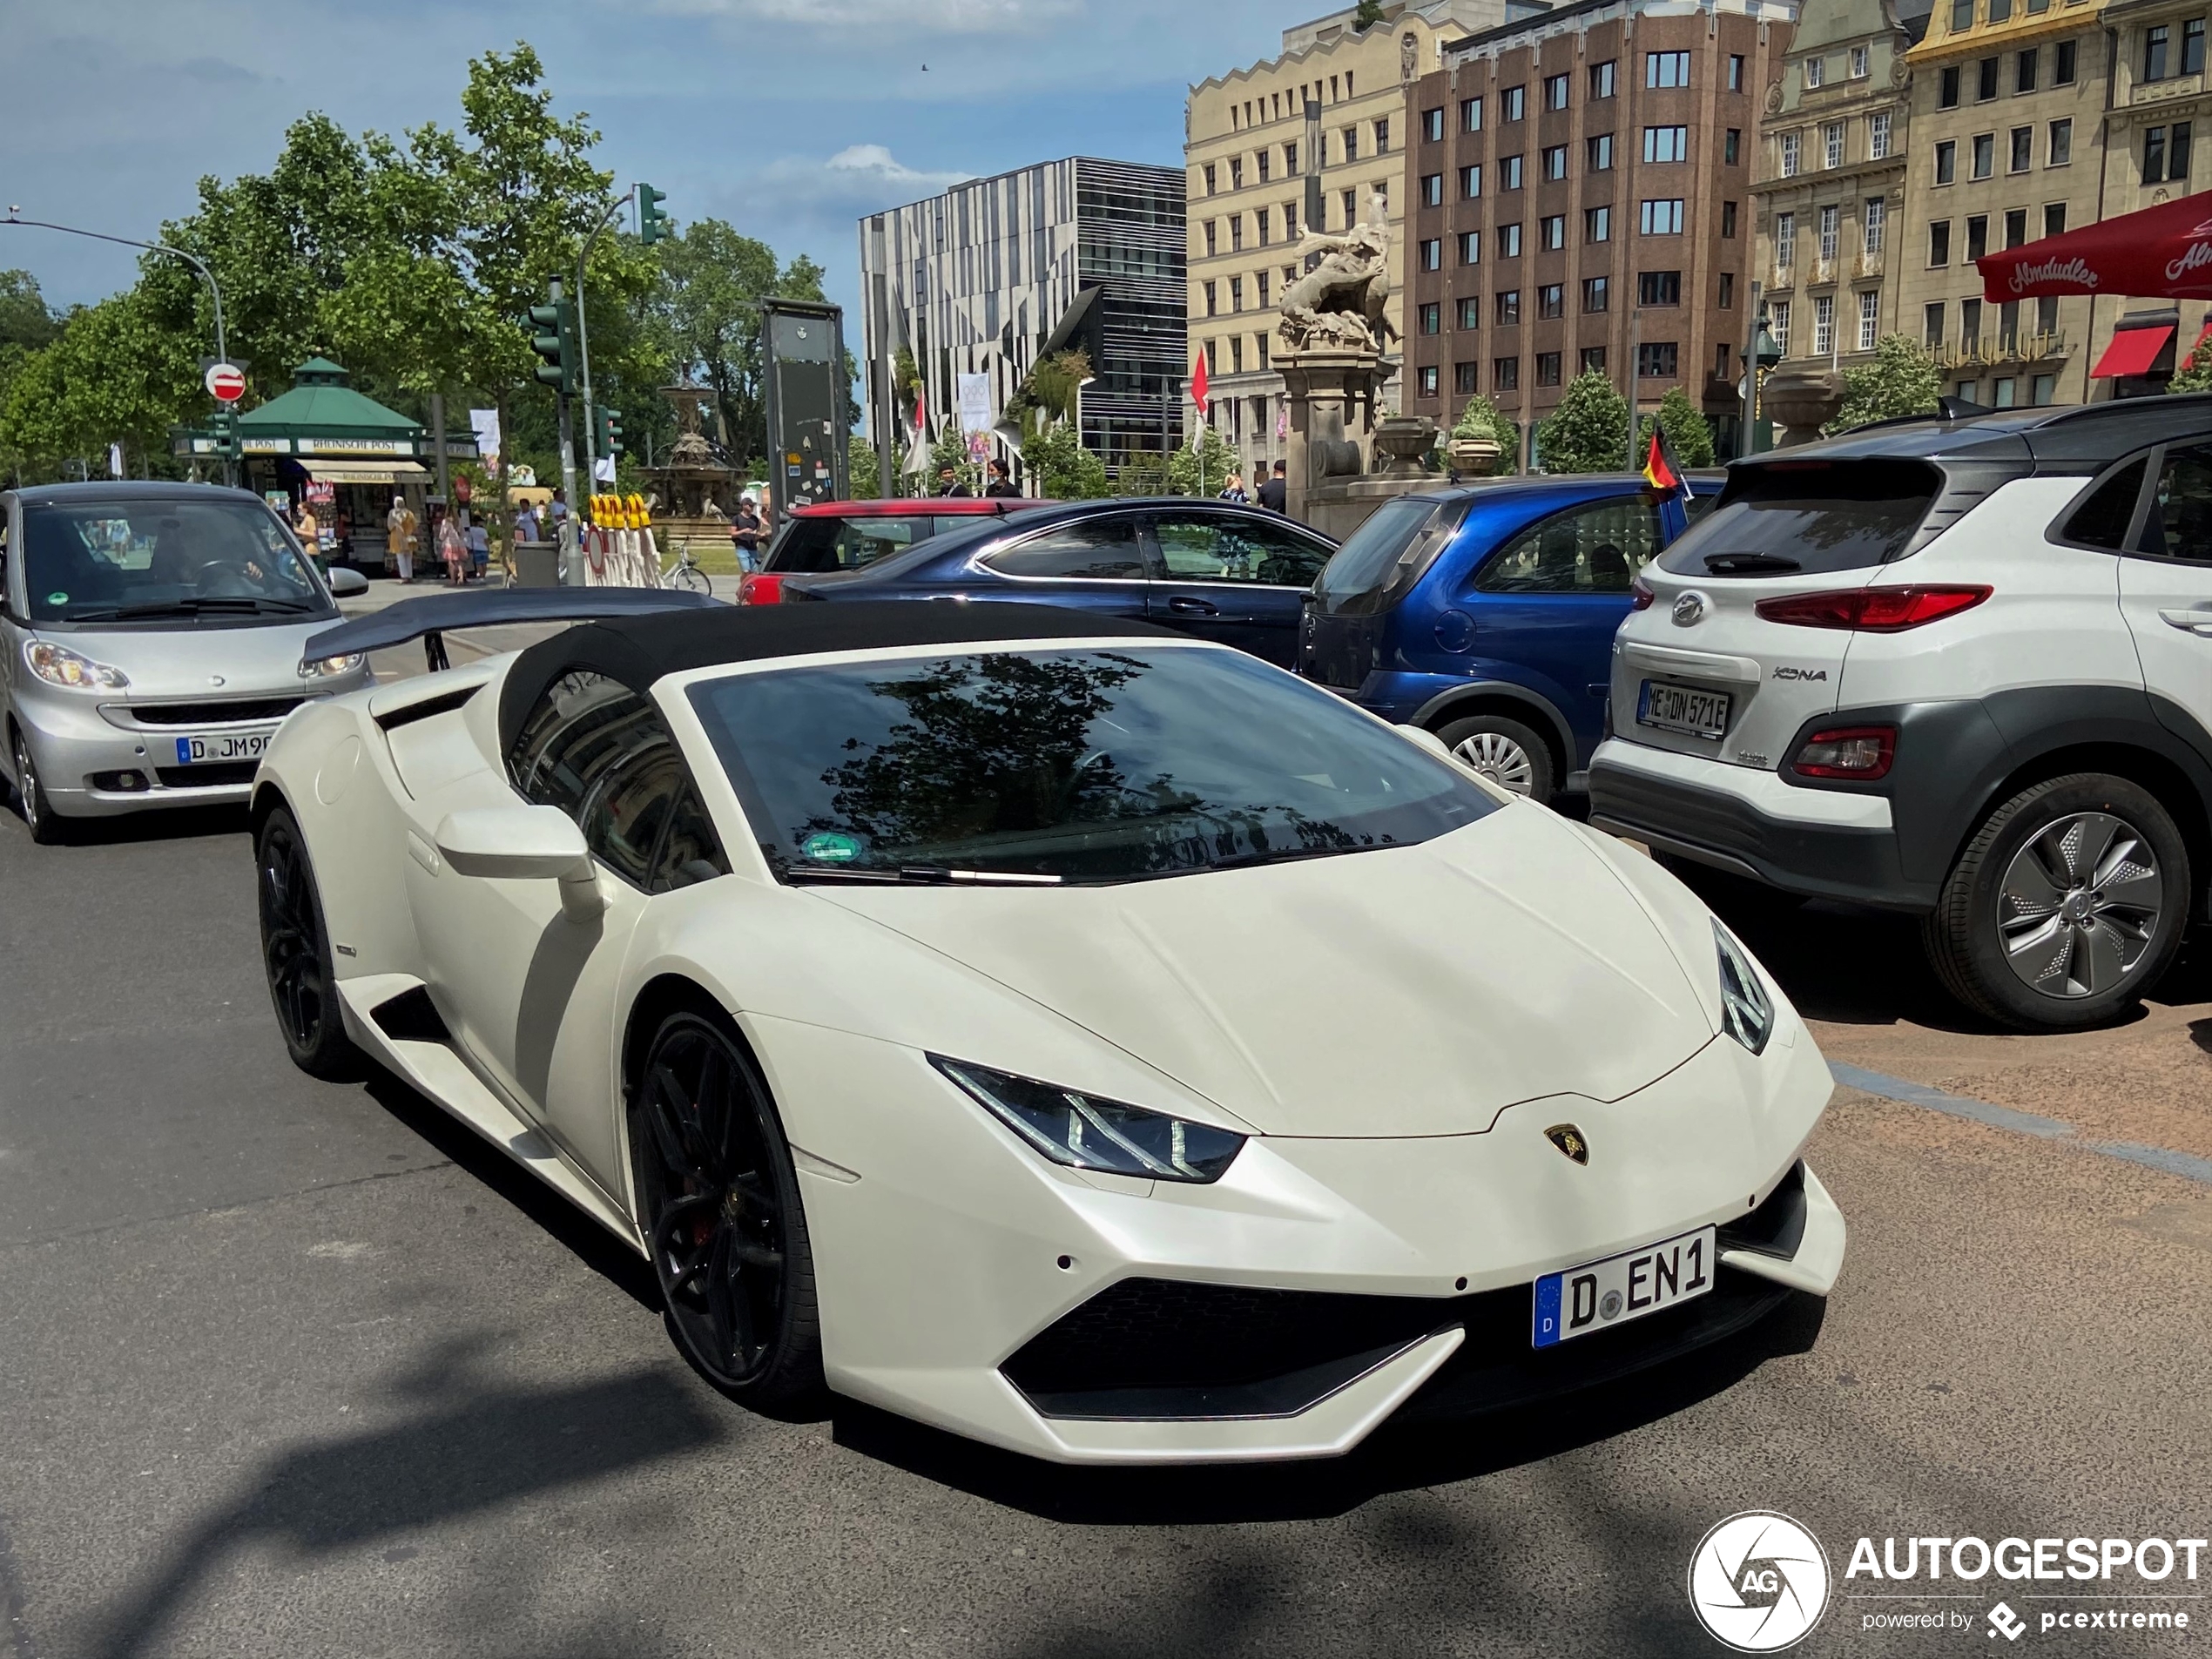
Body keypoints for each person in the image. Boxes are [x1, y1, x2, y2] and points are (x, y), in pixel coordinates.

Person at [386, 495, 418, 583]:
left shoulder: (392, 513)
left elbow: (390, 526)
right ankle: (410, 575)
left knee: (401, 558)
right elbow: (415, 526)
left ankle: (404, 576)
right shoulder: (409, 513)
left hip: (397, 538)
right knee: (408, 558)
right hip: (408, 538)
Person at [730, 496, 765, 571]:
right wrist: (743, 531)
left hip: (753, 548)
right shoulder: (737, 518)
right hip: (741, 547)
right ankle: (744, 582)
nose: (752, 507)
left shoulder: (755, 519)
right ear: (744, 506)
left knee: (755, 571)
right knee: (746, 571)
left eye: (753, 506)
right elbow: (733, 534)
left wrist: (759, 535)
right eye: (750, 505)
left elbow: (757, 532)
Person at [437, 509, 467, 585]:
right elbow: (463, 532)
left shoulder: (445, 522)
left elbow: (442, 534)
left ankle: (453, 579)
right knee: (460, 562)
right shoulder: (459, 520)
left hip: (450, 544)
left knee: (451, 562)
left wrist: (441, 538)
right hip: (459, 543)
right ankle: (461, 578)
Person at [468, 516, 490, 582]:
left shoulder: (471, 529)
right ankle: (484, 575)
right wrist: (488, 548)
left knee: (479, 563)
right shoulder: (483, 530)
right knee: (484, 563)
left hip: (476, 547)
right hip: (484, 548)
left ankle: (481, 576)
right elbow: (486, 540)